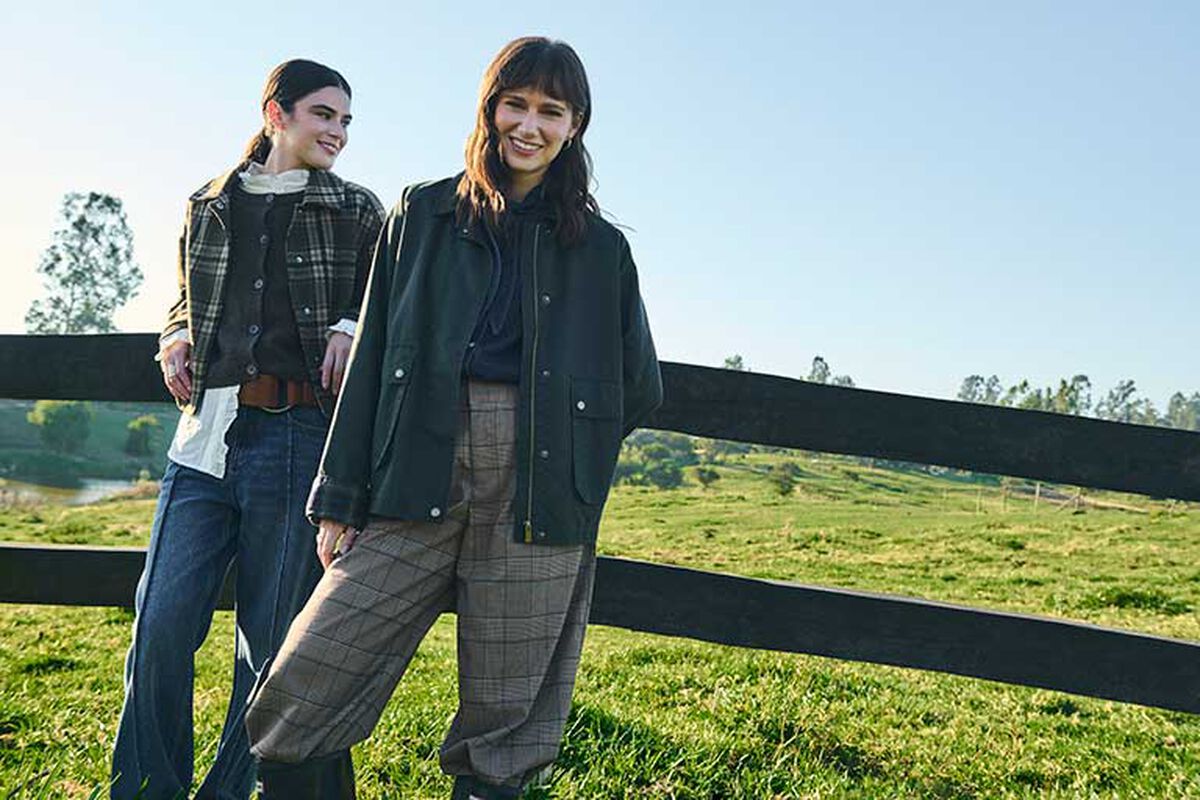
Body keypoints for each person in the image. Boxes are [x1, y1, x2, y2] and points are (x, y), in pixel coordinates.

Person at [244, 36, 663, 800]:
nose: (529, 126)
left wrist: (564, 460)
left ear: (576, 126)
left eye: (551, 111)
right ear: (489, 109)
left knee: (504, 726)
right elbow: (371, 362)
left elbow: (638, 386)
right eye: (516, 104)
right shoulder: (424, 213)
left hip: (537, 491)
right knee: (305, 682)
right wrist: (340, 496)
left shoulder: (601, 251)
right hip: (417, 462)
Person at [110, 59, 385, 800]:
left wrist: (352, 327)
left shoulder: (359, 210)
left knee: (267, 644)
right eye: (325, 115)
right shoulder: (208, 203)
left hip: (297, 439)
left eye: (346, 121)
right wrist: (173, 334)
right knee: (160, 625)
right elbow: (185, 299)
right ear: (277, 112)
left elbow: (383, 299)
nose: (338, 132)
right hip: (202, 440)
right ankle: (145, 790)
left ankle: (229, 792)